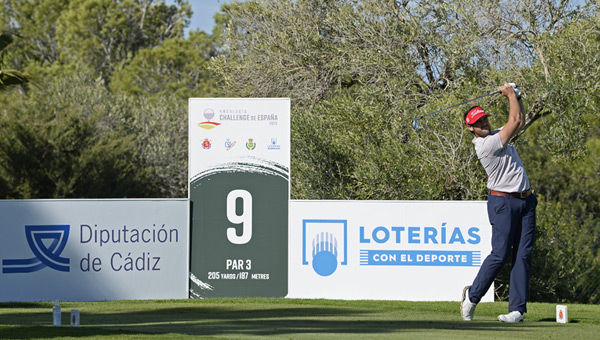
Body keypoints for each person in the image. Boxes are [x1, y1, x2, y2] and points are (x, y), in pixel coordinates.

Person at [460, 83, 538, 323]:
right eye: (479, 123)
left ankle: (516, 310)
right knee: (500, 254)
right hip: (502, 203)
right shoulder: (486, 145)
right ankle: (472, 297)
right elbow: (513, 121)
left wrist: (519, 97)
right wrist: (510, 95)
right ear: (471, 129)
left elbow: (519, 120)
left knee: (523, 255)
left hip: (525, 201)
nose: (484, 124)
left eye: (485, 120)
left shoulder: (495, 135)